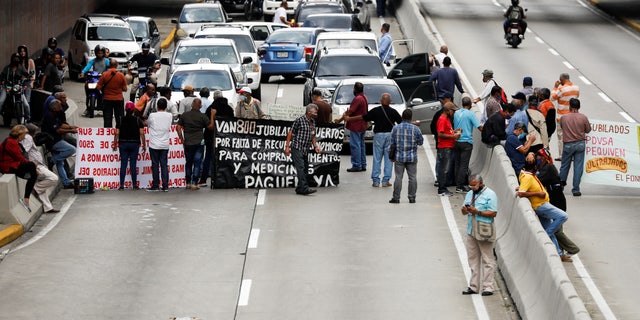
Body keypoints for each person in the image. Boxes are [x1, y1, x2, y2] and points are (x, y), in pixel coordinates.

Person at [516, 159, 570, 262]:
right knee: (563, 216)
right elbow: (521, 193)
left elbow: (523, 189)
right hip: (541, 206)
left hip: (543, 205)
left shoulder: (529, 175)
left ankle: (558, 253)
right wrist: (538, 194)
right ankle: (545, 235)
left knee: (550, 229)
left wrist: (520, 188)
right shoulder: (527, 177)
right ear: (535, 167)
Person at [345, 93, 402, 187]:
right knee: (389, 159)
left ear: (380, 101)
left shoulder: (376, 111)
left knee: (377, 158)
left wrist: (349, 119)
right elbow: (401, 122)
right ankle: (385, 181)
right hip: (390, 136)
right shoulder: (393, 111)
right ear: (390, 102)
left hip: (378, 136)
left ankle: (375, 181)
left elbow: (362, 117)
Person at [533, 149, 579, 261]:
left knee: (557, 230)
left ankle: (573, 249)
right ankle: (560, 252)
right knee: (556, 229)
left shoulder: (549, 168)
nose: (537, 159)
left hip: (557, 201)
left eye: (539, 157)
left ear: (544, 158)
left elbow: (537, 181)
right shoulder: (542, 168)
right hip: (552, 200)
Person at [461, 174, 498, 296]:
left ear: (481, 183)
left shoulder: (490, 194)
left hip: (484, 230)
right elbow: (463, 211)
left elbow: (493, 213)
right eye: (470, 185)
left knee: (487, 259)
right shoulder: (470, 194)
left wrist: (478, 212)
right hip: (471, 230)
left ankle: (488, 287)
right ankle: (474, 286)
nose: (472, 187)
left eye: (474, 185)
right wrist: (465, 210)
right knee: (473, 259)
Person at [284, 103, 322, 195]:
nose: (316, 114)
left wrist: (316, 146)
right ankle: (304, 188)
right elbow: (290, 133)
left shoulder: (312, 122)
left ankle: (300, 188)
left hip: (306, 149)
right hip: (297, 147)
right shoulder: (300, 120)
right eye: (314, 112)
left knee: (305, 168)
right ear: (309, 112)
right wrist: (287, 147)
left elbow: (313, 135)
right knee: (300, 167)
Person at [21, 124, 59, 213]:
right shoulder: (28, 138)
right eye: (35, 132)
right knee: (53, 178)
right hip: (36, 165)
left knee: (43, 186)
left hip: (37, 164)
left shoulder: (27, 137)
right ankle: (35, 189)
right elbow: (24, 151)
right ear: (31, 132)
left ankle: (48, 207)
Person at [0, 125, 38, 212]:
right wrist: (33, 165)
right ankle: (26, 197)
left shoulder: (13, 141)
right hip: (7, 166)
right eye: (24, 135)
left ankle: (28, 178)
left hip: (11, 164)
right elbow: (19, 158)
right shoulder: (11, 142)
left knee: (32, 171)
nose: (24, 137)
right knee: (31, 166)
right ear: (19, 134)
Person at [201, 90, 235, 185]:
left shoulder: (211, 109)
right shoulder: (229, 108)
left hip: (211, 137)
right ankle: (226, 178)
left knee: (208, 157)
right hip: (225, 137)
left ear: (214, 98)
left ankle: (203, 179)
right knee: (225, 157)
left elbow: (207, 124)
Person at [389, 109, 423, 203]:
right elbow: (420, 142)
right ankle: (412, 197)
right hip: (412, 157)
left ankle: (396, 198)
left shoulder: (396, 128)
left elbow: (392, 143)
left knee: (398, 177)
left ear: (402, 117)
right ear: (411, 118)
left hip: (399, 157)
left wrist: (391, 156)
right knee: (412, 177)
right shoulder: (415, 129)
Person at [41, 99, 76, 189]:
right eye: (59, 106)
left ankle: (66, 182)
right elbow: (58, 130)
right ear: (54, 107)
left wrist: (70, 126)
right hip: (53, 141)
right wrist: (71, 130)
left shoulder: (55, 114)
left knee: (60, 164)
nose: (61, 108)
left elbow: (60, 125)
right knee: (72, 149)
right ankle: (52, 160)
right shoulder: (49, 116)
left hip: (56, 140)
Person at [559, 98, 590, 197]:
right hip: (580, 143)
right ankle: (576, 189)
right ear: (579, 107)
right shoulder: (583, 117)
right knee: (578, 167)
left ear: (570, 106)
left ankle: (561, 185)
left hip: (568, 144)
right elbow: (588, 130)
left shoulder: (564, 117)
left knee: (565, 165)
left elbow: (562, 127)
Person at [177, 98, 210, 190]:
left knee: (188, 162)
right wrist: (213, 116)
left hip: (188, 142)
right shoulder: (202, 116)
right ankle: (194, 183)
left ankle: (187, 182)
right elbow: (210, 127)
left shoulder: (185, 115)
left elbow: (178, 127)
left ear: (191, 105)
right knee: (197, 162)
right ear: (200, 106)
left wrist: (181, 138)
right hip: (199, 142)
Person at [335, 82, 368, 172]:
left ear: (355, 89)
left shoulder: (358, 99)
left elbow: (350, 111)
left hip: (356, 125)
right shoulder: (364, 97)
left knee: (355, 145)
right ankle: (363, 164)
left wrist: (341, 119)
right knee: (361, 145)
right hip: (362, 125)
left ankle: (357, 165)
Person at [113, 102, 146, 190]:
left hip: (123, 143)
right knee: (133, 165)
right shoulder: (137, 120)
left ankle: (121, 185)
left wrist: (115, 143)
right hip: (134, 144)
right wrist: (144, 144)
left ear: (125, 109)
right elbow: (142, 133)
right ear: (133, 110)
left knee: (123, 164)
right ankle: (134, 185)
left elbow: (116, 133)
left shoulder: (120, 119)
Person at [453, 95, 482, 193]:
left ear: (462, 104)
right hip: (466, 142)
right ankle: (460, 186)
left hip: (456, 141)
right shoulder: (470, 114)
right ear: (469, 105)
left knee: (457, 163)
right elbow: (479, 127)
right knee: (464, 165)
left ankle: (457, 183)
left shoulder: (456, 113)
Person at [146, 98, 173, 192]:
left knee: (155, 165)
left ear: (157, 106)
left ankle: (156, 185)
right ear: (166, 106)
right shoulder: (169, 115)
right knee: (164, 165)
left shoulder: (152, 115)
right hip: (165, 144)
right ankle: (165, 186)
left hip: (154, 144)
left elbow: (148, 124)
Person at [551, 73, 579, 159]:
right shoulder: (576, 88)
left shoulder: (561, 89)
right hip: (573, 116)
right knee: (572, 135)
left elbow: (552, 98)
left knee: (561, 136)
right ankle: (573, 155)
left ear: (562, 80)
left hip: (562, 117)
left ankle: (562, 155)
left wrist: (555, 87)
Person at [436, 102, 461, 196]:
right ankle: (441, 189)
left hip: (447, 147)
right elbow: (440, 134)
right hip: (444, 147)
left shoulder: (446, 119)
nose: (453, 113)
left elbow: (447, 131)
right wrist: (453, 137)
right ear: (448, 110)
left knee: (445, 168)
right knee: (444, 169)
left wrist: (455, 131)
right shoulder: (442, 119)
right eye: (453, 111)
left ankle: (443, 187)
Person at [80, 45, 110, 117]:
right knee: (87, 87)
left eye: (101, 53)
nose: (100, 54)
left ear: (103, 53)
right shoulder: (93, 61)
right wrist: (83, 72)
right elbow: (87, 67)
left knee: (106, 93)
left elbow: (109, 68)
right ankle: (88, 107)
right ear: (96, 53)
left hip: (103, 80)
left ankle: (106, 108)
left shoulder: (106, 61)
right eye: (98, 53)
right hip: (94, 79)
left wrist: (108, 73)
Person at [0, 53, 32, 122]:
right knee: (1, 101)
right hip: (7, 87)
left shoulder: (21, 67)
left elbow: (27, 76)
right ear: (12, 59)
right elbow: (2, 76)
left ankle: (28, 118)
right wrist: (2, 81)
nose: (16, 60)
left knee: (26, 104)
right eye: (15, 58)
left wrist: (26, 84)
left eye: (18, 58)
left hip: (18, 87)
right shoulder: (7, 68)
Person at [97, 58, 128, 128]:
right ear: (117, 65)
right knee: (119, 118)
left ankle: (108, 135)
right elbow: (125, 89)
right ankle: (119, 133)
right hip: (119, 99)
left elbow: (98, 87)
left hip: (107, 99)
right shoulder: (121, 75)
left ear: (109, 65)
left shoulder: (104, 74)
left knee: (107, 118)